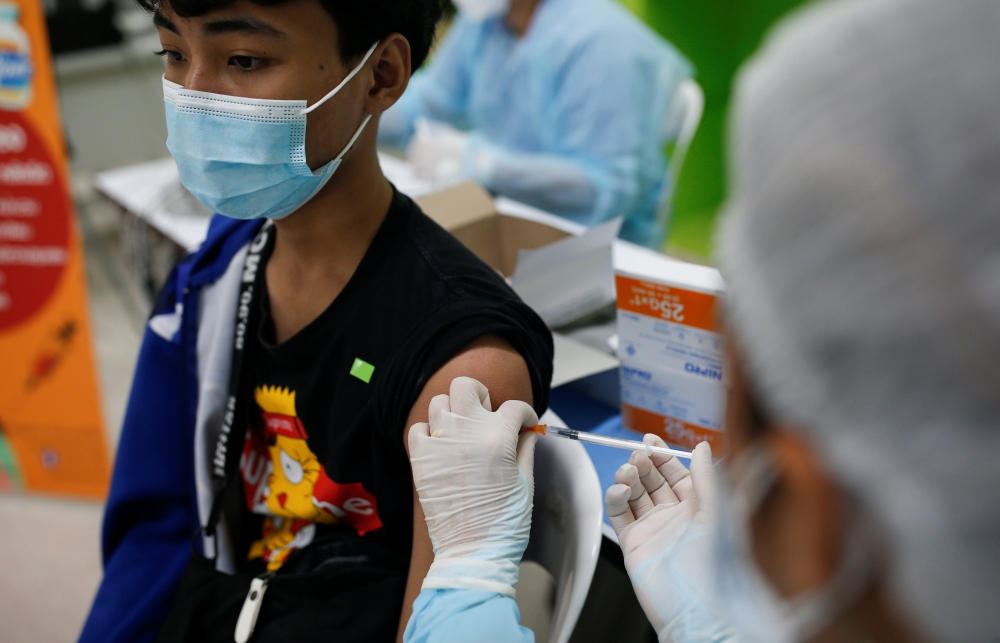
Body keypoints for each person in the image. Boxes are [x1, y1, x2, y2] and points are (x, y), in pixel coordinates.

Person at [401, 0, 1000, 641]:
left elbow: (606, 187)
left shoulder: (596, 41)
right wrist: (702, 623)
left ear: (806, 509)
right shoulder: (486, 37)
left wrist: (466, 579)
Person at [78, 1, 553, 642]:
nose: (193, 95)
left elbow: (434, 624)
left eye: (244, 60)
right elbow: (158, 524)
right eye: (174, 53)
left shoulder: (462, 363)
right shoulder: (223, 272)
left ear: (380, 75)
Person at [377, 0, 692, 249]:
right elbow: (430, 101)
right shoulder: (488, 23)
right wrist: (363, 103)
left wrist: (486, 165)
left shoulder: (600, 41)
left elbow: (606, 188)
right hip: (506, 223)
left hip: (595, 251)